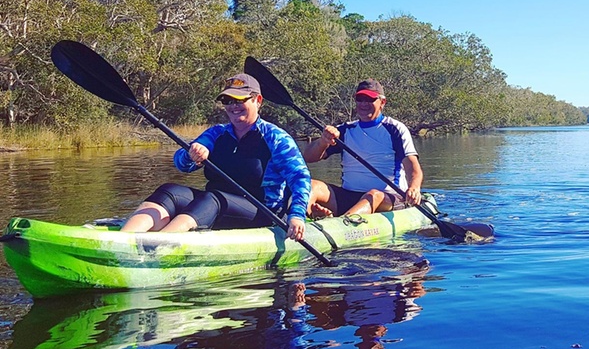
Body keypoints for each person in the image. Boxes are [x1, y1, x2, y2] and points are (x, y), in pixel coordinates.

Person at [121, 74, 310, 241]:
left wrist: (297, 215)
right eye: (228, 101)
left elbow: (300, 178)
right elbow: (181, 164)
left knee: (213, 198)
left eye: (239, 100)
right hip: (212, 206)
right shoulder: (216, 133)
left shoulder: (276, 138)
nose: (233, 106)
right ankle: (123, 239)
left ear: (258, 100)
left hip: (263, 212)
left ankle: (157, 246)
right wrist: (191, 155)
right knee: (169, 190)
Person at [303, 78, 423, 218]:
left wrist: (414, 188)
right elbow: (308, 157)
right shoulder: (345, 130)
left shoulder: (395, 129)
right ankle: (302, 219)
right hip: (349, 196)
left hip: (386, 197)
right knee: (310, 185)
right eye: (360, 99)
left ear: (382, 102)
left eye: (370, 99)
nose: (364, 104)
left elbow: (413, 167)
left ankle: (343, 224)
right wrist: (323, 142)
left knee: (373, 195)